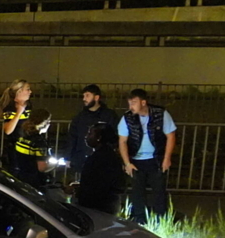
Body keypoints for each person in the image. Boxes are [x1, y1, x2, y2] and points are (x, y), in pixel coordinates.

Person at [118, 89, 177, 224]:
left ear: (143, 102)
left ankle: (161, 221)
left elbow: (170, 136)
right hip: (136, 160)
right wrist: (127, 163)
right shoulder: (127, 117)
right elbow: (122, 141)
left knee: (159, 192)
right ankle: (139, 221)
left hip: (156, 159)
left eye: (134, 102)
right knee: (137, 193)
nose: (130, 106)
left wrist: (167, 158)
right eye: (129, 103)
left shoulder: (160, 114)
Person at [66, 84, 119, 178]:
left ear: (96, 97)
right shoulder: (79, 117)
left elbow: (114, 136)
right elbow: (72, 137)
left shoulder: (109, 115)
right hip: (82, 159)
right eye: (83, 96)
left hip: (103, 160)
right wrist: (68, 157)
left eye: (87, 95)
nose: (84, 99)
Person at [74, 123, 126, 215]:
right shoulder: (108, 155)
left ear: (99, 138)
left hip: (100, 206)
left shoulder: (101, 158)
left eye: (90, 134)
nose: (86, 137)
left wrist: (80, 191)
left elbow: (98, 184)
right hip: (107, 203)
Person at [11, 108, 55, 189]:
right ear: (43, 123)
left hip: (20, 178)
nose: (49, 124)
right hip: (35, 182)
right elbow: (42, 168)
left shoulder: (22, 136)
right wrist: (55, 164)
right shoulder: (39, 142)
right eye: (48, 121)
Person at [0, 79, 33, 169]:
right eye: (27, 89)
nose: (30, 92)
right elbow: (8, 130)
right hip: (15, 150)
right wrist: (18, 114)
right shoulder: (11, 106)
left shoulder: (28, 105)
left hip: (27, 147)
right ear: (19, 91)